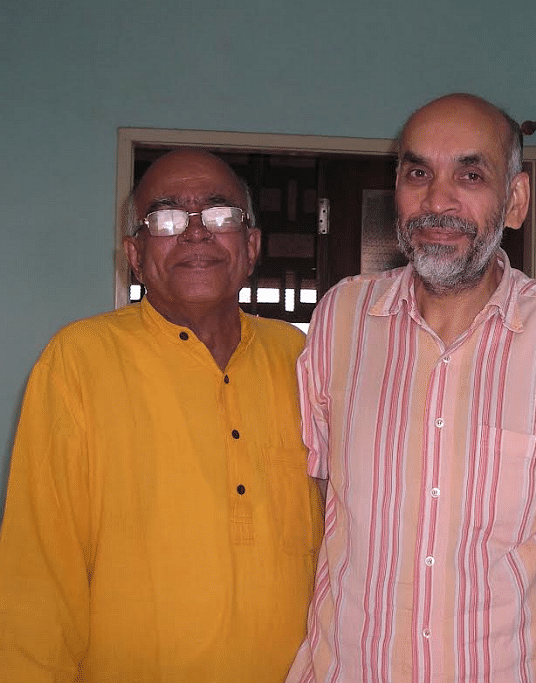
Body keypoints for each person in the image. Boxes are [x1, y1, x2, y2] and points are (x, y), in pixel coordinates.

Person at [285, 93, 536, 683]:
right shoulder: (342, 317)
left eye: (471, 173)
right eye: (417, 173)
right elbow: (317, 499)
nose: (437, 201)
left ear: (515, 201)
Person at [0, 149, 323, 682]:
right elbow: (38, 573)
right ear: (136, 252)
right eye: (167, 217)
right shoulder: (79, 360)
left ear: (251, 245)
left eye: (220, 215)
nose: (196, 233)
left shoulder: (300, 357)